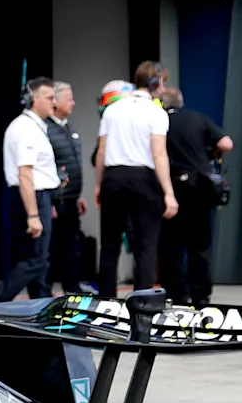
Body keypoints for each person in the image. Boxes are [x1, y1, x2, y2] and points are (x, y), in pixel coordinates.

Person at [0, 78, 61, 325]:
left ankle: (42, 315)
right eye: (49, 97)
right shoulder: (25, 128)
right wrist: (34, 214)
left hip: (40, 196)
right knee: (34, 260)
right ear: (34, 99)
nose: (53, 102)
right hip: (31, 196)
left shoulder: (36, 127)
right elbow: (25, 174)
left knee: (39, 261)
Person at [94, 62, 178, 297]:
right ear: (154, 83)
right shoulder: (156, 112)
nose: (163, 88)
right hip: (143, 179)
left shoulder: (113, 109)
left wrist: (99, 185)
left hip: (113, 177)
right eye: (162, 83)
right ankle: (141, 302)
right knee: (146, 246)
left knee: (109, 246)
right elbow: (159, 154)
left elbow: (101, 152)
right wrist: (168, 192)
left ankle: (107, 300)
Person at [158, 87, 232, 307]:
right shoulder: (198, 118)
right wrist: (211, 154)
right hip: (200, 186)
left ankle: (175, 294)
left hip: (173, 186)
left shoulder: (160, 121)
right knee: (200, 243)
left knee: (172, 244)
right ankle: (201, 294)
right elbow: (226, 143)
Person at [44, 81, 90, 294]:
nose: (73, 103)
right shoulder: (45, 129)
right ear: (55, 101)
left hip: (70, 199)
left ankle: (72, 290)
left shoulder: (68, 127)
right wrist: (51, 199)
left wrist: (77, 195)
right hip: (54, 201)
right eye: (69, 99)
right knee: (51, 249)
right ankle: (44, 291)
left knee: (73, 249)